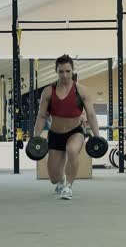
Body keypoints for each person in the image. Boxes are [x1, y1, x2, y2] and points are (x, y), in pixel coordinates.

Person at [33, 54, 100, 200]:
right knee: (53, 178)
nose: (65, 75)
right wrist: (35, 138)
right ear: (56, 71)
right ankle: (62, 180)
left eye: (68, 71)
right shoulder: (48, 91)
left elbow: (91, 115)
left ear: (73, 70)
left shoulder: (81, 90)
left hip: (75, 131)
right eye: (61, 71)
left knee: (72, 150)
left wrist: (97, 136)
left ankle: (68, 186)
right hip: (55, 134)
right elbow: (41, 116)